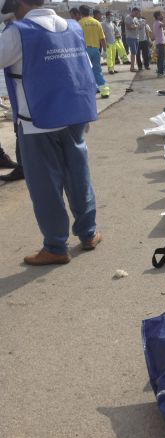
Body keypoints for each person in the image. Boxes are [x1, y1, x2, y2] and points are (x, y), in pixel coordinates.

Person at [0, 0, 101, 264]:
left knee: (46, 187)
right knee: (78, 175)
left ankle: (56, 247)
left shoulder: (18, 32)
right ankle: (88, 233)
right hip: (75, 115)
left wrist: (6, 26)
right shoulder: (72, 27)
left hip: (38, 122)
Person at [79, 5, 109, 98]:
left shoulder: (79, 23)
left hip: (85, 51)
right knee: (97, 71)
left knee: (86, 71)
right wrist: (105, 50)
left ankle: (93, 89)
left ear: (80, 13)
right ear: (89, 12)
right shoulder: (97, 22)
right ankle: (104, 91)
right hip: (96, 50)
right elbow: (102, 38)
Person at [153, 11, 165, 76]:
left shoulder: (155, 23)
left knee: (160, 58)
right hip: (160, 43)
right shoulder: (158, 23)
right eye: (161, 15)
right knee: (161, 58)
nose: (162, 16)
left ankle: (159, 72)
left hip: (158, 43)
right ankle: (161, 72)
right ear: (158, 16)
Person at [124, 7, 140, 72]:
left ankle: (133, 66)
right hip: (130, 37)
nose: (137, 14)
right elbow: (129, 27)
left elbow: (137, 26)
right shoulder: (128, 18)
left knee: (135, 52)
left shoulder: (135, 18)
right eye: (136, 13)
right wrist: (135, 26)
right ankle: (132, 67)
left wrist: (135, 26)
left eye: (137, 13)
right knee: (133, 52)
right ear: (133, 11)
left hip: (136, 37)